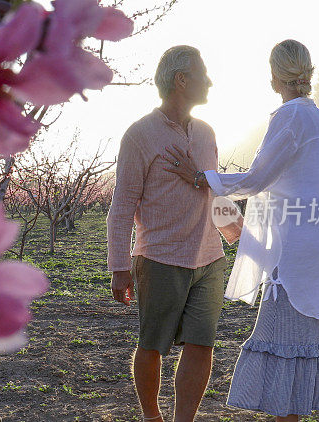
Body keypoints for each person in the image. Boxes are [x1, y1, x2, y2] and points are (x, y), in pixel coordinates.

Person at [163, 39, 319, 421]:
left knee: (285, 339)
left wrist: (202, 178)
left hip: (297, 252)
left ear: (275, 78)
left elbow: (257, 179)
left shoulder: (289, 117)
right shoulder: (318, 117)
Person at [107, 45, 242, 422]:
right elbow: (121, 207)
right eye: (203, 74)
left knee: (202, 344)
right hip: (160, 258)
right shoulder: (139, 135)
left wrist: (241, 235)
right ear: (182, 80)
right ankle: (152, 417)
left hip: (209, 257)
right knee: (152, 346)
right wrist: (119, 266)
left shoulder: (207, 133)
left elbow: (214, 192)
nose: (210, 82)